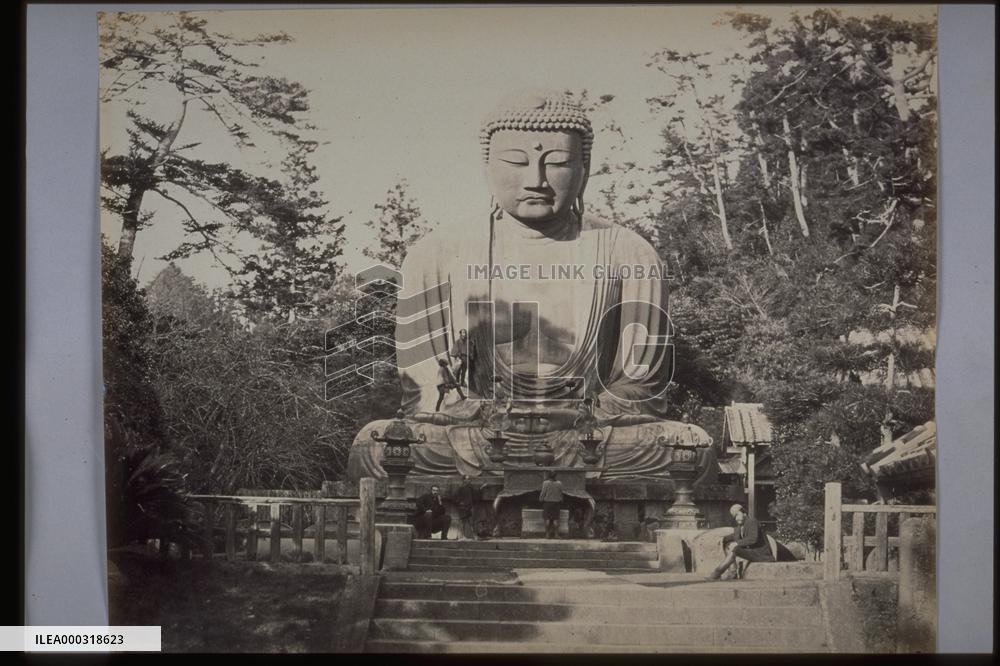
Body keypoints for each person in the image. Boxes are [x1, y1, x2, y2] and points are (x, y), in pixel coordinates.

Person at [346, 90, 715, 482]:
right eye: (516, 162)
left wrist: (584, 413)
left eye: (557, 163)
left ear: (584, 169)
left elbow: (642, 385)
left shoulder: (629, 253)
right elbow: (422, 391)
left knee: (690, 446)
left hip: (589, 434)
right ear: (487, 166)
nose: (535, 180)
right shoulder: (436, 254)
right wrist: (483, 412)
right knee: (376, 444)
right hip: (476, 433)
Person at [706, 504, 774, 580]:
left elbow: (753, 539)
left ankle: (717, 572)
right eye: (734, 517)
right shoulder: (739, 527)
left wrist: (737, 543)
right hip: (752, 553)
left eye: (737, 515)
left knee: (736, 549)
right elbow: (733, 536)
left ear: (744, 513)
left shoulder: (752, 521)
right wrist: (722, 540)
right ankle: (732, 572)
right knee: (728, 545)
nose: (736, 518)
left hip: (761, 554)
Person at [452, 475, 479, 540]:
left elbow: (476, 494)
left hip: (469, 507)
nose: (468, 480)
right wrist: (460, 503)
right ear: (463, 480)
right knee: (463, 522)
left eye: (469, 479)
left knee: (471, 522)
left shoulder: (470, 488)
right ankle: (462, 536)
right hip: (463, 508)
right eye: (466, 479)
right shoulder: (460, 488)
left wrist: (482, 488)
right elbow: (454, 498)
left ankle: (474, 536)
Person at [539, 471, 564, 539]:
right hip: (556, 503)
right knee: (555, 519)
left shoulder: (545, 483)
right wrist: (561, 500)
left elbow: (543, 493)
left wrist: (541, 499)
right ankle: (556, 535)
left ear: (549, 476)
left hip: (547, 503)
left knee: (547, 519)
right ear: (556, 476)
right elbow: (561, 494)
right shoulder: (559, 483)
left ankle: (547, 535)